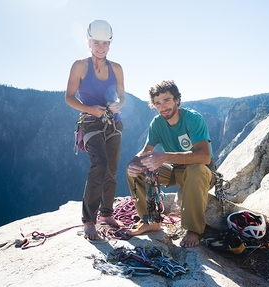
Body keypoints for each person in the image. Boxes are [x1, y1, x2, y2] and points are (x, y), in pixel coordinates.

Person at [126, 80, 216, 248]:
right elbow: (145, 152)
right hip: (176, 170)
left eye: (167, 100)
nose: (163, 106)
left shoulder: (192, 119)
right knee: (137, 169)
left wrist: (165, 156)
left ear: (177, 100)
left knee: (196, 169)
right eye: (157, 103)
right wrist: (133, 162)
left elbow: (205, 157)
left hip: (202, 172)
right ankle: (151, 220)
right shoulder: (157, 124)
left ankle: (193, 230)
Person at [65, 19, 125, 242]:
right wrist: (91, 108)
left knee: (111, 169)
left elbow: (123, 96)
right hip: (90, 122)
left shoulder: (116, 68)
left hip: (113, 122)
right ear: (88, 42)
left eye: (105, 43)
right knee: (100, 164)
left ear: (110, 44)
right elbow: (69, 98)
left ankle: (106, 214)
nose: (101, 47)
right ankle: (89, 220)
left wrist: (119, 104)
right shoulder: (80, 66)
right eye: (96, 42)